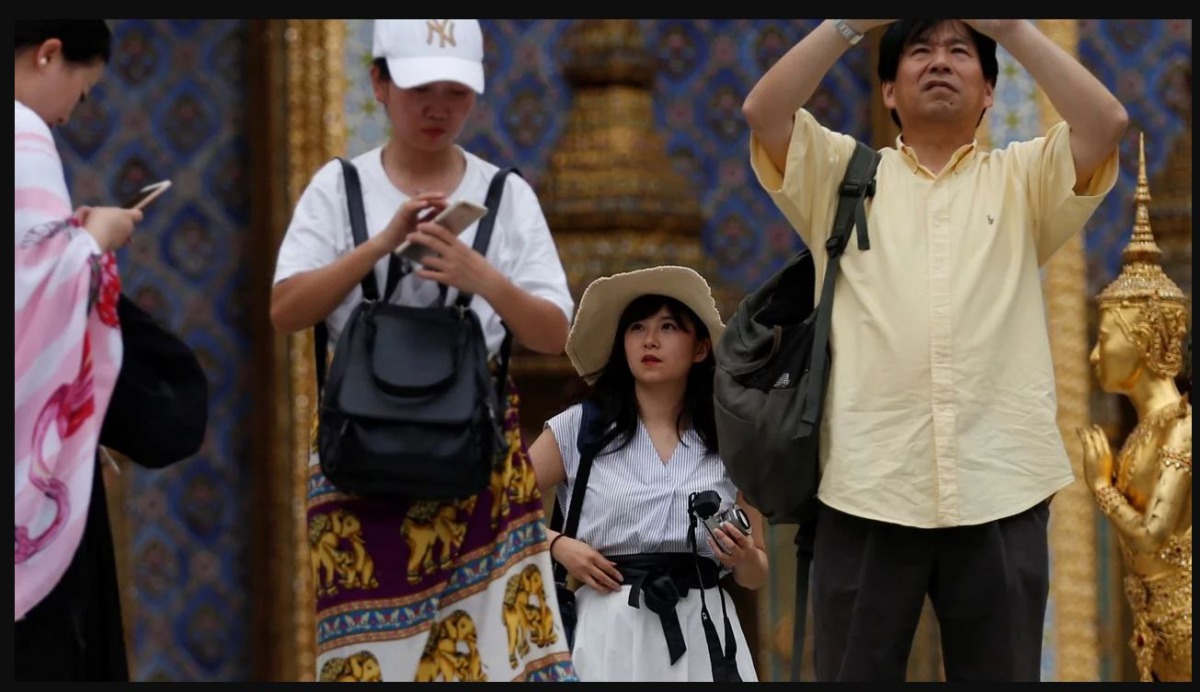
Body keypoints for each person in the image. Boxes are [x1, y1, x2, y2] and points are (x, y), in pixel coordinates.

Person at [742, 19, 1127, 681]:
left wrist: (1010, 29)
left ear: (987, 93)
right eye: (919, 51)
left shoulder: (1022, 179)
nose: (940, 63)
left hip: (1000, 486)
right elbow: (764, 111)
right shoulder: (840, 177)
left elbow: (1106, 123)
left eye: (960, 52)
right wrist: (847, 26)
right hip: (866, 485)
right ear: (889, 91)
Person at [270, 19, 577, 682]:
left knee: (500, 662)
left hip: (481, 465)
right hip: (361, 466)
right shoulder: (338, 189)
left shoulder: (504, 195)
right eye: (419, 89)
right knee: (370, 666)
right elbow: (286, 311)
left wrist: (479, 275)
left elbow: (557, 335)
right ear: (378, 83)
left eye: (456, 91)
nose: (439, 108)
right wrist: (379, 245)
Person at [15, 20, 209, 681]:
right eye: (83, 88)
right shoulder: (22, 134)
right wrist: (94, 237)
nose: (74, 109)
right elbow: (36, 288)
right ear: (48, 54)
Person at [527, 266, 768, 681]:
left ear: (700, 349)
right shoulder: (578, 429)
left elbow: (756, 573)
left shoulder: (731, 440)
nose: (649, 340)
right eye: (637, 327)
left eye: (669, 327)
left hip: (703, 630)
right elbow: (494, 509)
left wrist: (743, 556)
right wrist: (558, 545)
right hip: (607, 630)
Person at [1078, 140, 1191, 683]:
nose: (1096, 354)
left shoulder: (1182, 430)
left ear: (1143, 339)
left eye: (1106, 340)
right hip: (1154, 623)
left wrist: (1101, 486)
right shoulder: (1148, 431)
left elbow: (1150, 534)